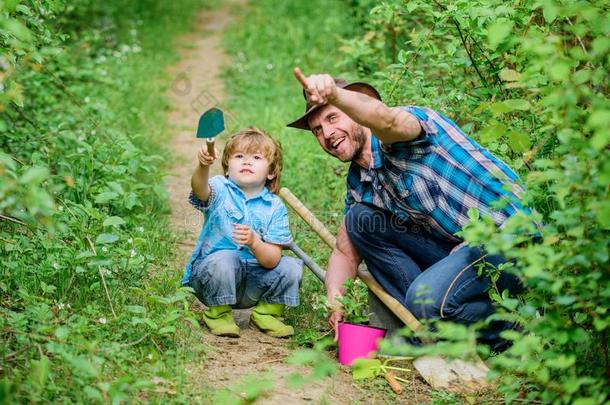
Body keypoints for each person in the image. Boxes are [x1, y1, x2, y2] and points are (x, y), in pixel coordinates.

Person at [287, 68, 532, 351]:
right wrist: (335, 298)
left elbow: (387, 120)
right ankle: (431, 326)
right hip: (461, 250)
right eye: (317, 130)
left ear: (355, 111)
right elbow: (344, 252)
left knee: (424, 298)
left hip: (509, 236)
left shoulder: (404, 131)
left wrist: (335, 95)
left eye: (332, 117)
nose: (327, 134)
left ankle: (515, 328)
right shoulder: (360, 180)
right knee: (360, 220)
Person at [182, 127, 303, 338]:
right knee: (227, 257)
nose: (247, 162)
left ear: (271, 172)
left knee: (290, 267)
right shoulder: (220, 189)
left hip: (253, 282)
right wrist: (203, 166)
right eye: (239, 156)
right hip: (213, 277)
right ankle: (218, 314)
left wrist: (255, 242)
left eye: (256, 157)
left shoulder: (274, 206)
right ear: (227, 168)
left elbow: (272, 260)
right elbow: (200, 190)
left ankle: (266, 312)